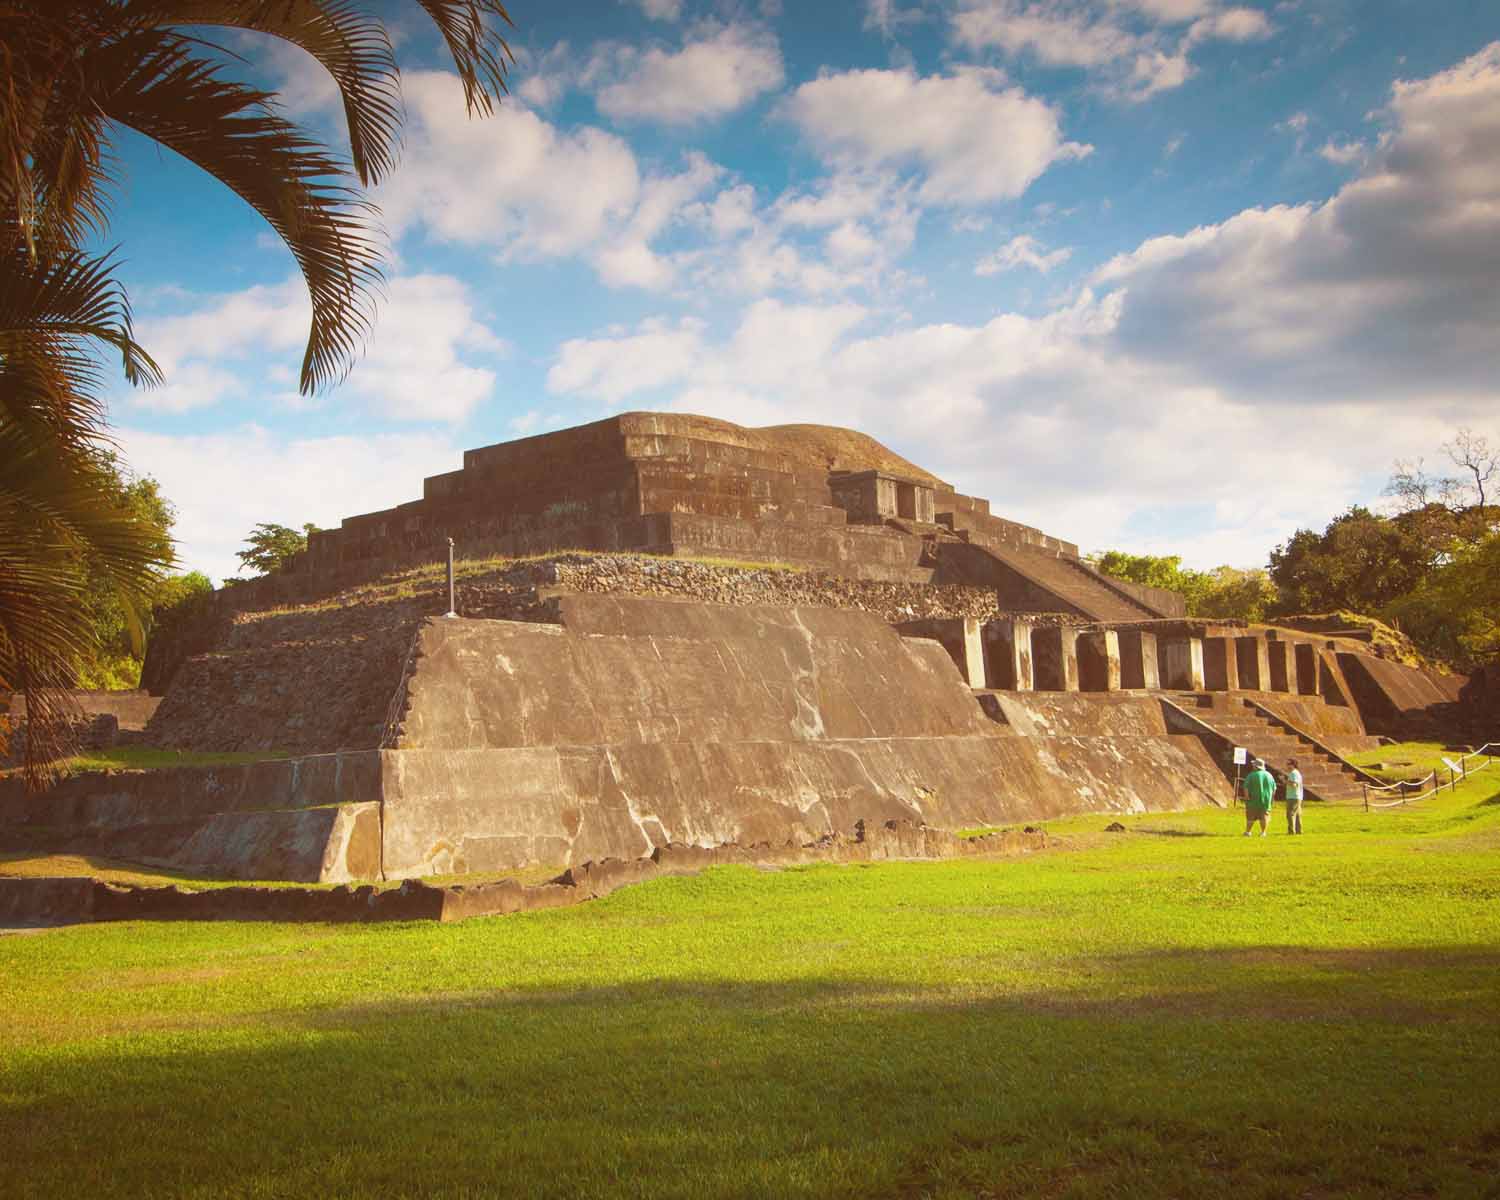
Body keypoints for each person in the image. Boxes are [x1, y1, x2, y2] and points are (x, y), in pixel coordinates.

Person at [1242, 757, 1275, 836]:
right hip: (1266, 800)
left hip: (1253, 800)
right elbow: (1274, 789)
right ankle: (1263, 832)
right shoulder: (1269, 775)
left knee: (1250, 817)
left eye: (1253, 764)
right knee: (1264, 816)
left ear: (1256, 766)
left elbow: (1246, 787)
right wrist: (1272, 799)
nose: (1252, 766)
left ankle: (1248, 832)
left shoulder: (1251, 775)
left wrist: (1247, 797)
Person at [1284, 758, 1304, 834]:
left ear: (1294, 765)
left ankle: (1291, 831)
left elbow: (1294, 784)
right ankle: (1299, 831)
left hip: (1293, 796)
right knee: (1297, 815)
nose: (1287, 766)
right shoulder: (1296, 773)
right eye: (1287, 764)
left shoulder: (1293, 773)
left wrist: (1284, 781)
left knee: (1290, 814)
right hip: (1297, 796)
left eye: (1289, 764)